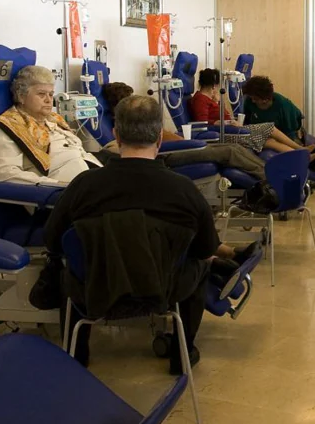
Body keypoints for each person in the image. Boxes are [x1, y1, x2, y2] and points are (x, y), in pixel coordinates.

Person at [43, 95, 226, 373]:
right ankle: (181, 352)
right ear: (159, 138)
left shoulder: (84, 185)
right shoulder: (183, 189)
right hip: (165, 288)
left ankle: (77, 356)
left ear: (116, 135)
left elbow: (53, 241)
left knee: (69, 267)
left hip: (92, 289)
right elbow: (204, 249)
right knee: (201, 264)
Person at [98, 81, 271, 181]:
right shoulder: (122, 125)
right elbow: (114, 149)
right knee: (229, 151)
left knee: (231, 148)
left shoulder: (129, 121)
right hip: (170, 153)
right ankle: (270, 178)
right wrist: (181, 141)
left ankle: (269, 173)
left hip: (177, 146)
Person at [0, 65, 102, 187]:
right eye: (41, 94)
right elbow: (4, 174)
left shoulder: (54, 120)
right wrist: (57, 185)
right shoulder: (8, 126)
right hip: (64, 192)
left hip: (92, 179)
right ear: (21, 96)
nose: (48, 100)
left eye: (51, 94)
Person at [188, 69, 315, 160]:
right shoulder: (200, 99)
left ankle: (303, 154)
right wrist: (227, 123)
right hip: (225, 135)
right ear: (214, 85)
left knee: (270, 141)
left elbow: (220, 116)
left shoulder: (209, 99)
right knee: (270, 128)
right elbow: (202, 124)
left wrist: (218, 103)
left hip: (232, 130)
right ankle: (302, 151)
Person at [243, 75, 315, 174]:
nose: (253, 101)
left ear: (265, 99)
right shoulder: (249, 103)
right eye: (252, 98)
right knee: (312, 147)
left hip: (289, 133)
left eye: (256, 99)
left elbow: (292, 128)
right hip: (264, 136)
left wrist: (291, 142)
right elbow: (246, 122)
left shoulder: (282, 105)